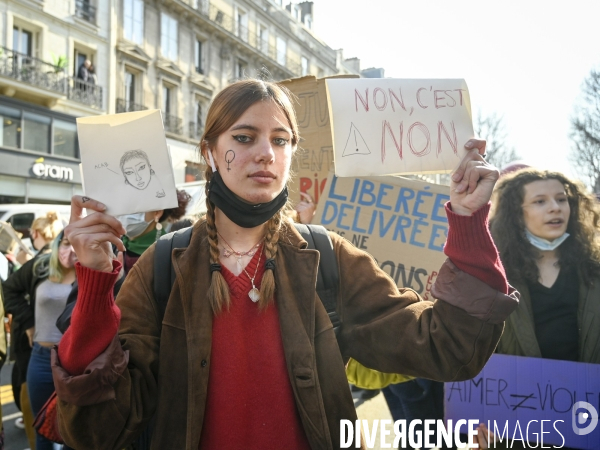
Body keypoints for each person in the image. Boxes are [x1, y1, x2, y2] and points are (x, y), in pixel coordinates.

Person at [52, 79, 518, 449]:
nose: (265, 153)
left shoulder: (328, 258)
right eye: (244, 137)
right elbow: (98, 429)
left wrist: (469, 223)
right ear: (210, 153)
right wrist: (94, 282)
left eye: (280, 140)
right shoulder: (162, 266)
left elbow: (451, 347)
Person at [474, 168, 600, 448]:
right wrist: (478, 420)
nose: (555, 207)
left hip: (588, 424)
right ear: (517, 214)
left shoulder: (595, 269)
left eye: (561, 199)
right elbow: (479, 356)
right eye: (540, 201)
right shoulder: (494, 279)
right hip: (520, 428)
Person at [3, 211, 63, 450]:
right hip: (38, 350)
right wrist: (30, 325)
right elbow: (11, 291)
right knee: (42, 418)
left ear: (35, 233)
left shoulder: (45, 262)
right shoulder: (38, 264)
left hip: (53, 352)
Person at [117, 189, 192, 274]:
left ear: (157, 212)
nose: (126, 213)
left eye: (135, 207)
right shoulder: (112, 246)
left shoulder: (171, 252)